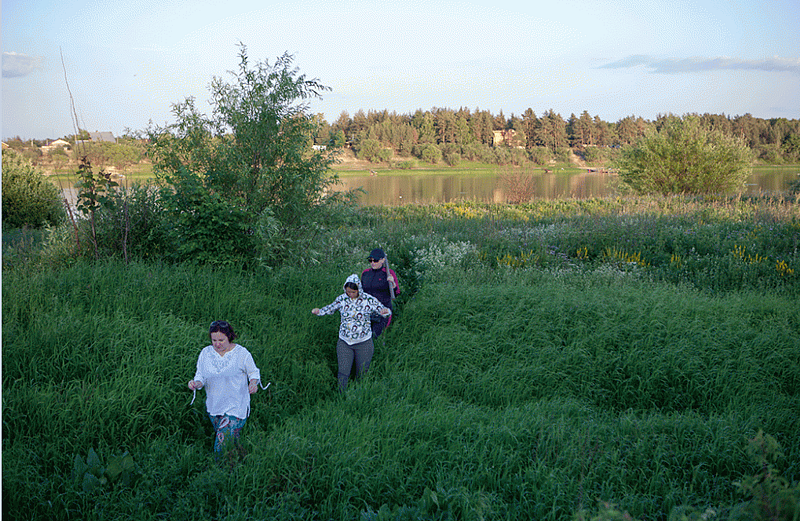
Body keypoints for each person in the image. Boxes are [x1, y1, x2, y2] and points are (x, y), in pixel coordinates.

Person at [187, 320, 261, 455]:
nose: (217, 344)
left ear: (229, 337)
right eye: (214, 340)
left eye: (221, 340)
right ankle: (242, 457)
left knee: (221, 444)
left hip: (236, 406)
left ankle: (219, 466)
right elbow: (200, 376)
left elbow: (253, 372)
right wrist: (195, 384)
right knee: (230, 439)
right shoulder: (206, 353)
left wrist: (253, 383)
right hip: (215, 406)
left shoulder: (241, 353)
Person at [312, 274, 391, 392]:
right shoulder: (342, 299)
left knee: (362, 372)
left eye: (353, 292)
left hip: (364, 342)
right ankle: (341, 394)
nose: (351, 294)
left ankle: (359, 394)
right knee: (343, 372)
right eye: (348, 292)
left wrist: (385, 312)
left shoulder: (368, 299)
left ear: (359, 289)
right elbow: (330, 308)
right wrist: (319, 311)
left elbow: (383, 310)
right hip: (344, 342)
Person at [361, 248, 400, 338]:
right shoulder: (365, 273)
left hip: (383, 311)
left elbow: (396, 293)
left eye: (375, 260)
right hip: (367, 311)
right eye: (370, 260)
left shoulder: (388, 273)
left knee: (376, 336)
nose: (372, 263)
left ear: (382, 260)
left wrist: (393, 284)